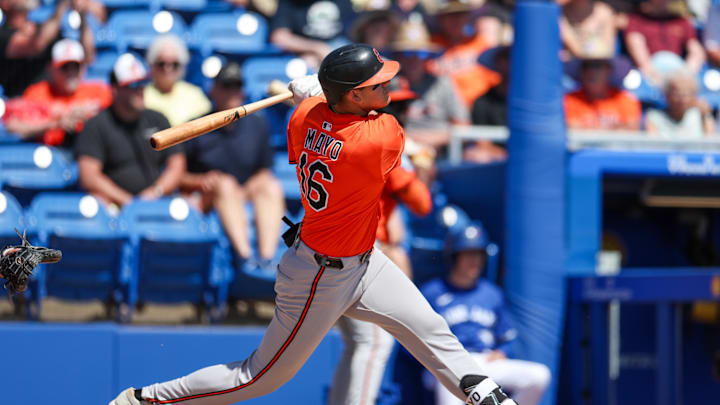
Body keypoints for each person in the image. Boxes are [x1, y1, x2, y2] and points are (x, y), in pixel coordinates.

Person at [109, 43, 514, 405]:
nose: (389, 87)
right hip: (319, 275)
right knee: (257, 378)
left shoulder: (303, 119)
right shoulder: (375, 139)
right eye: (378, 84)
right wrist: (317, 92)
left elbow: (321, 112)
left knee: (429, 328)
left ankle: (488, 396)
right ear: (353, 95)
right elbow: (373, 128)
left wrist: (315, 96)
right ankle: (146, 400)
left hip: (363, 263)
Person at [421, 221, 552, 405]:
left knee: (539, 376)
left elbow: (507, 338)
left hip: (485, 361)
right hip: (446, 363)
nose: (475, 260)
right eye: (468, 254)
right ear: (454, 257)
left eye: (479, 254)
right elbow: (413, 337)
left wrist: (502, 352)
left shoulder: (492, 294)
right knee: (448, 380)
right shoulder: (432, 292)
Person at [180, 62, 285, 264]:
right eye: (226, 86)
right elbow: (179, 175)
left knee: (270, 186)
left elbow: (265, 169)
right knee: (225, 184)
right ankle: (244, 257)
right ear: (213, 91)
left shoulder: (257, 123)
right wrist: (202, 180)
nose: (232, 92)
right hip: (207, 196)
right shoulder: (198, 126)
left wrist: (242, 191)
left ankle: (266, 260)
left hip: (243, 192)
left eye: (236, 86)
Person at [75, 53, 186, 209]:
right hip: (114, 205)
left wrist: (156, 192)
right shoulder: (97, 124)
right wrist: (127, 201)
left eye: (143, 83)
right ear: (114, 89)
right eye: (132, 85)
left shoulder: (158, 119)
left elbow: (177, 164)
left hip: (156, 202)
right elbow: (89, 175)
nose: (140, 90)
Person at [3, 38, 111, 149]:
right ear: (51, 68)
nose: (71, 72)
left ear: (83, 68)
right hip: (47, 154)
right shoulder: (37, 93)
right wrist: (56, 123)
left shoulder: (98, 92)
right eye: (64, 67)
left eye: (75, 66)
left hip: (87, 153)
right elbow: (13, 127)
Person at [0, 0, 96, 97]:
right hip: (21, 101)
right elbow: (37, 45)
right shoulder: (3, 35)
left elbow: (88, 56)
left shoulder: (42, 28)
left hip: (51, 100)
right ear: (5, 3)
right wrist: (63, 4)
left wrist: (82, 17)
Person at [426, 0, 500, 106]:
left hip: (477, 110)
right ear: (441, 19)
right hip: (439, 110)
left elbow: (496, 81)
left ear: (467, 18)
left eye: (460, 15)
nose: (456, 20)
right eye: (450, 15)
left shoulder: (480, 43)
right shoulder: (431, 46)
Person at [624, 0, 705, 85]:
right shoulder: (637, 20)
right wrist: (651, 73)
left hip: (678, 73)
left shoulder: (681, 21)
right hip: (650, 75)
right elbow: (636, 44)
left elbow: (696, 51)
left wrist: (687, 74)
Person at [143, 34, 212, 127]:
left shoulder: (195, 95)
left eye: (174, 64)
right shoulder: (141, 95)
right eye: (161, 64)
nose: (167, 69)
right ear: (152, 65)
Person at [270, 0, 357, 69]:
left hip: (340, 50)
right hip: (303, 55)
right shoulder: (289, 3)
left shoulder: (343, 2)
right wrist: (316, 48)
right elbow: (279, 37)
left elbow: (355, 31)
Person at [564, 55, 642, 130]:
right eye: (586, 66)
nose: (591, 71)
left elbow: (632, 128)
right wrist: (613, 128)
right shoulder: (569, 100)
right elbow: (570, 128)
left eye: (598, 66)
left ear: (609, 70)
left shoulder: (626, 100)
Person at [645, 70, 715, 137]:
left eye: (686, 94)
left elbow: (709, 143)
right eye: (677, 94)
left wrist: (706, 116)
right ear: (666, 94)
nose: (682, 99)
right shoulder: (654, 117)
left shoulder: (700, 115)